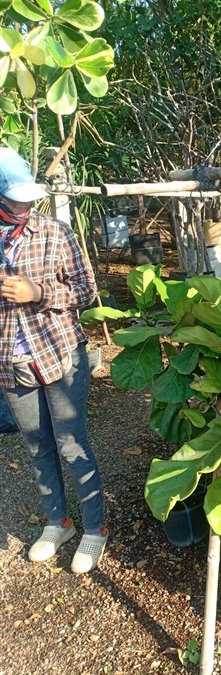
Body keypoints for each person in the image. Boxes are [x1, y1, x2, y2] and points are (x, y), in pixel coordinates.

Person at [0, 146, 107, 573]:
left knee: (70, 442)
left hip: (59, 354)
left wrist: (38, 293)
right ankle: (57, 523)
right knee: (37, 446)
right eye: (13, 198)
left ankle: (94, 530)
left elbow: (86, 289)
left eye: (28, 196)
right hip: (10, 362)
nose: (23, 205)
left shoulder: (54, 232)